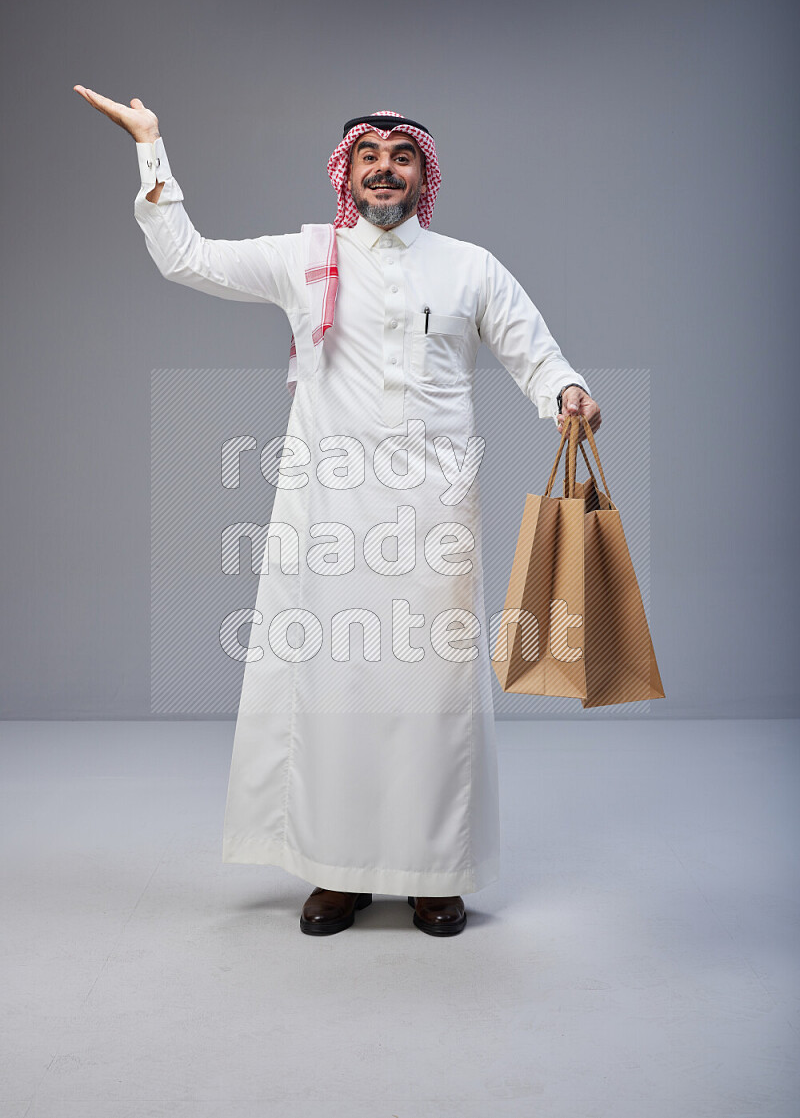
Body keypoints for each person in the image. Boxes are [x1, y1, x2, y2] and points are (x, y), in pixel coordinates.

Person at [73, 87, 602, 938]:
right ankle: (336, 872)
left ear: (422, 175)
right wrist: (150, 147)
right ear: (346, 170)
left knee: (433, 694)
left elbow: (532, 351)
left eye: (401, 157)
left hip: (434, 514)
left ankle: (436, 874)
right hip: (330, 511)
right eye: (369, 155)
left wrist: (568, 390)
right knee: (336, 686)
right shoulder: (306, 255)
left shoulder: (471, 267)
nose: (383, 168)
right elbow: (189, 259)